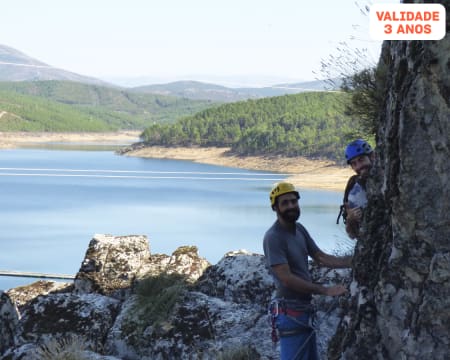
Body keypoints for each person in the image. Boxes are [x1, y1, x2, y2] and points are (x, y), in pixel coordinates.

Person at [263, 182, 352, 360]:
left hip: (303, 312)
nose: (291, 206)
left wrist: (354, 262)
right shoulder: (273, 237)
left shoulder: (299, 229)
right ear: (275, 208)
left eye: (293, 201)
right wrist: (325, 290)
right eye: (285, 203)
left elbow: (321, 257)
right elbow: (286, 278)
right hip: (290, 313)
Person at [341, 139, 375, 239]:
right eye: (354, 164)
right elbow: (352, 235)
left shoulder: (392, 177)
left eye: (361, 160)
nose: (359, 166)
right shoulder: (353, 190)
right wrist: (350, 219)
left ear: (372, 156)